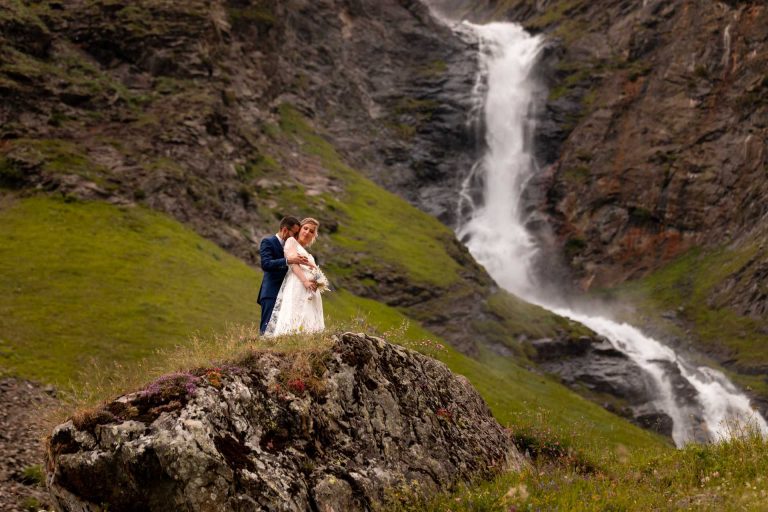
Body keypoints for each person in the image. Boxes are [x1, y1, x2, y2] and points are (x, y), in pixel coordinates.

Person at [263, 217, 325, 336]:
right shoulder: (291, 241)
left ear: (314, 236)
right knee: (294, 313)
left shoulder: (307, 252)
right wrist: (305, 281)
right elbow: (294, 264)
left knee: (307, 315)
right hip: (297, 284)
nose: (307, 232)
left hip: (309, 288)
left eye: (311, 231)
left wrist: (318, 280)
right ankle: (289, 339)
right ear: (299, 229)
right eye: (305, 228)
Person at [258, 216, 310, 334]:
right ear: (285, 230)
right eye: (295, 233)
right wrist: (288, 261)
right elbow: (266, 264)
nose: (296, 237)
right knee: (266, 329)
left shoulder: (293, 246)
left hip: (286, 294)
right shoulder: (268, 242)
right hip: (271, 292)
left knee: (279, 330)